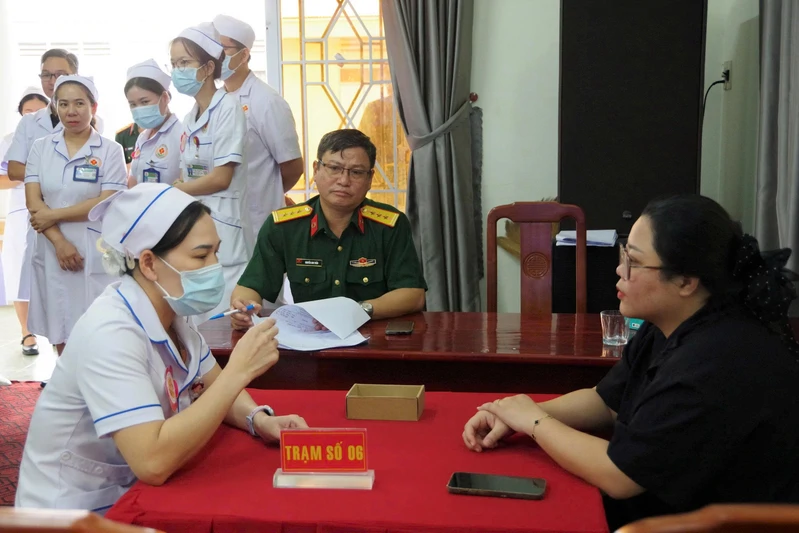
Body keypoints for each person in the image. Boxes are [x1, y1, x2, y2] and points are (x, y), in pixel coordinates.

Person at [462, 194, 799, 530]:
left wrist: (534, 422)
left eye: (634, 261)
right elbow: (607, 401)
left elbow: (621, 475)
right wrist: (515, 414)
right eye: (624, 254)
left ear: (685, 281)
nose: (620, 269)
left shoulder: (716, 359)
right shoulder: (671, 323)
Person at [15, 183, 308, 513]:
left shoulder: (173, 313)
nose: (215, 267)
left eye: (216, 253)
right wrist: (239, 371)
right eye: (201, 256)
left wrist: (259, 419)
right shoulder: (110, 333)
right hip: (76, 511)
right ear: (149, 264)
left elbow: (212, 383)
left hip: (129, 494)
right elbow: (152, 462)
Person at [229, 129, 427, 329]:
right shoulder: (284, 226)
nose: (344, 181)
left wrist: (359, 310)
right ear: (316, 170)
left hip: (373, 335)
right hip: (310, 337)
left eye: (356, 172)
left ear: (369, 179)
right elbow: (249, 287)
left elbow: (413, 294)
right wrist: (243, 308)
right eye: (334, 168)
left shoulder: (390, 225)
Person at [24, 75, 127, 355]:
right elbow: (34, 202)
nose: (71, 111)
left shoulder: (110, 150)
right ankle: (67, 379)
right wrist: (59, 242)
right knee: (60, 322)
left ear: (93, 107)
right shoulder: (41, 148)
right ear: (55, 107)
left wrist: (52, 215)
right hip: (51, 247)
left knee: (98, 326)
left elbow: (107, 200)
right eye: (64, 104)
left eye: (79, 103)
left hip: (94, 248)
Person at [170, 22, 251, 321]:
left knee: (223, 317)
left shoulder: (228, 108)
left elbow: (221, 177)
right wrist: (181, 186)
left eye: (184, 62)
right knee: (197, 318)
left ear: (207, 68)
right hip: (195, 223)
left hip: (223, 224)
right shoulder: (190, 117)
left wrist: (175, 190)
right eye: (173, 64)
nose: (177, 71)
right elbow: (189, 175)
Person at [213, 14, 303, 234]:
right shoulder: (215, 100)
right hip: (221, 221)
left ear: (244, 54)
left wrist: (265, 195)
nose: (215, 57)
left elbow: (292, 166)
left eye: (222, 49)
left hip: (257, 223)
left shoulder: (266, 101)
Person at [0, 87, 49, 355]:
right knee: (18, 273)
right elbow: (2, 179)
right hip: (21, 213)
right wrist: (29, 173)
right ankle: (26, 332)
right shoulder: (9, 141)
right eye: (27, 112)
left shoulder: (58, 137)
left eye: (38, 112)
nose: (32, 116)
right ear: (20, 114)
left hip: (54, 211)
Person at [125, 59, 182, 188]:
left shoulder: (181, 135)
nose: (139, 109)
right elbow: (134, 179)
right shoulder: (142, 138)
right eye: (133, 104)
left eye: (145, 102)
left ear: (165, 98)